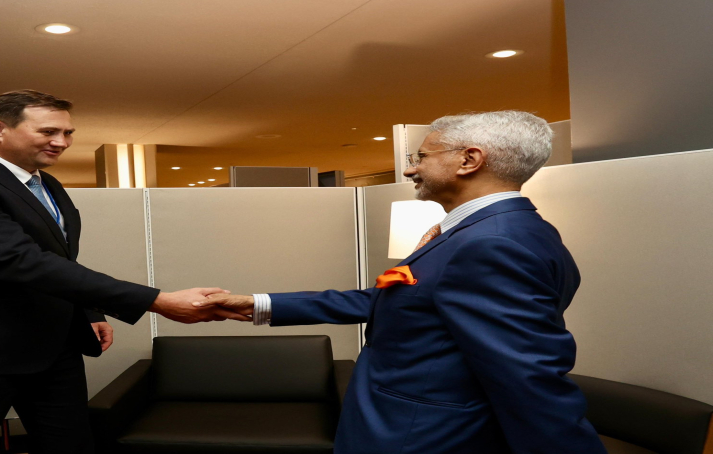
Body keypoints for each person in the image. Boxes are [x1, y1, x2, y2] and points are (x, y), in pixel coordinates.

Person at [200, 111, 607, 453]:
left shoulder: (491, 244)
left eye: (421, 156)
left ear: (469, 159)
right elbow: (392, 300)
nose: (411, 168)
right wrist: (257, 304)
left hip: (421, 435)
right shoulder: (503, 232)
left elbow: (527, 377)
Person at [0, 90, 241, 454]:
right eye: (49, 132)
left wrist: (88, 311)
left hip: (53, 346)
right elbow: (18, 261)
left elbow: (57, 258)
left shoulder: (45, 183)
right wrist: (157, 301)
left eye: (68, 133)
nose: (62, 142)